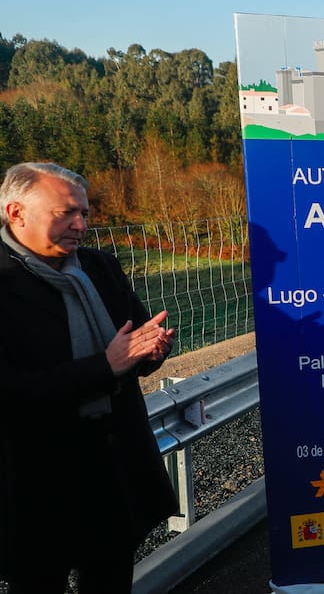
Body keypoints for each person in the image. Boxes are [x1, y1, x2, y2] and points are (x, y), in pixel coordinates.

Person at [0, 162, 177, 594]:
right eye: (65, 213)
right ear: (16, 212)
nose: (81, 224)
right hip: (35, 482)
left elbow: (132, 344)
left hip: (111, 471)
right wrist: (106, 366)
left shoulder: (99, 268)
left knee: (111, 579)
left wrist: (152, 351)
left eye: (84, 213)